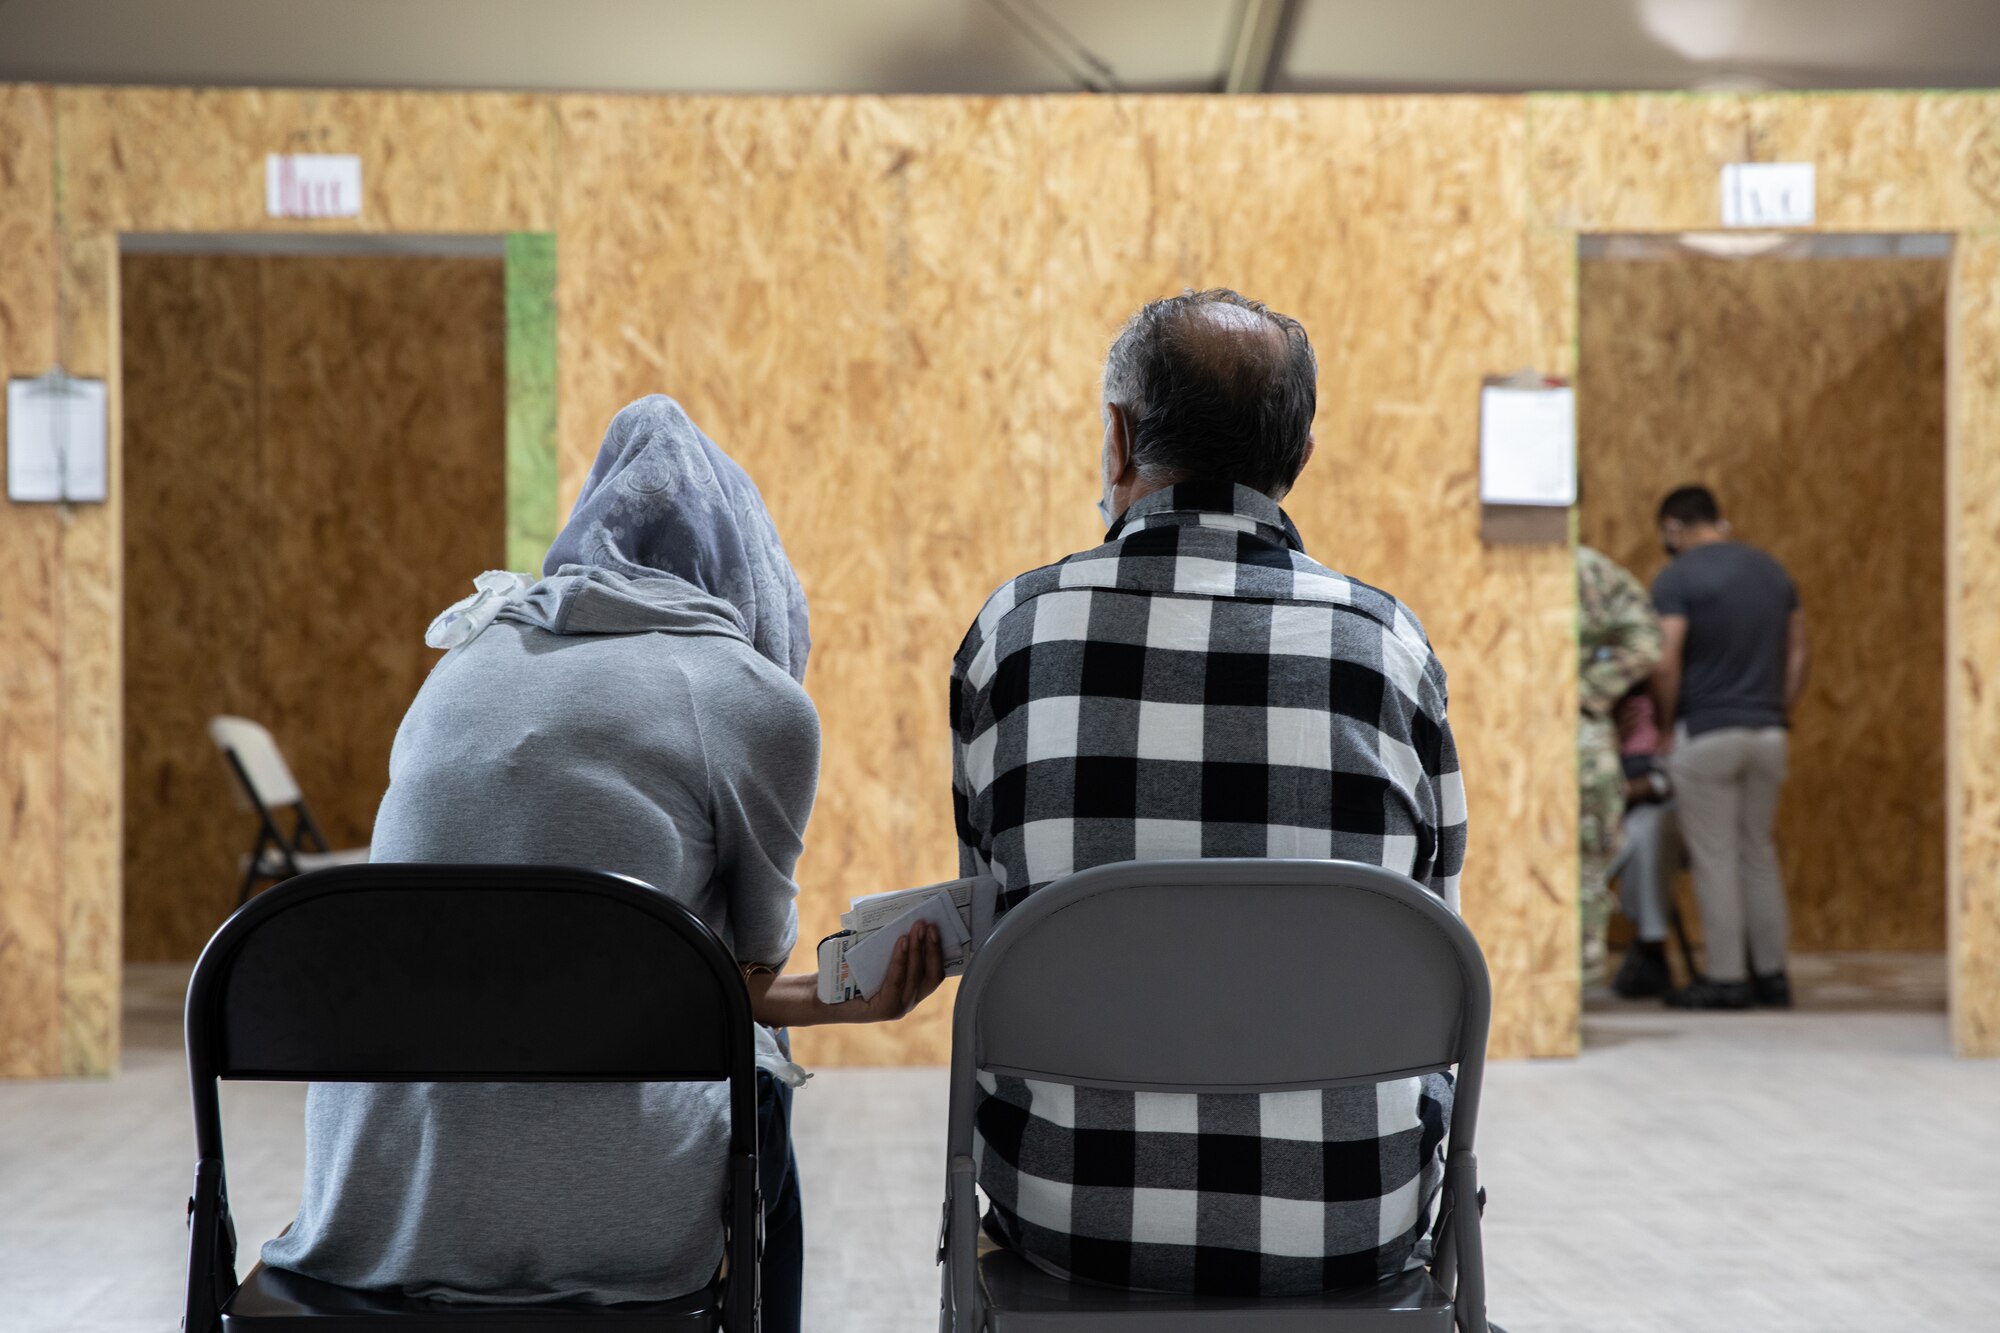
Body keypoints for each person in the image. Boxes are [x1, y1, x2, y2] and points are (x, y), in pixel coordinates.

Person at [261, 396, 947, 1330]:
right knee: (768, 1093)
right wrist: (851, 997)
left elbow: (559, 969)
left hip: (383, 1203)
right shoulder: (751, 696)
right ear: (751, 571)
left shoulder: (457, 664)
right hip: (623, 1227)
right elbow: (732, 990)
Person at [949, 289, 1467, 1297]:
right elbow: (1433, 932)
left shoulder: (1013, 634)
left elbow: (990, 907)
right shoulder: (1386, 649)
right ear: (1299, 457)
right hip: (1347, 1211)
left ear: (1118, 437)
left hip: (1072, 1206)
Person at [1651, 485, 1808, 1010]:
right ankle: (1773, 975)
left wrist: (1668, 726)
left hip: (1708, 734)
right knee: (1757, 852)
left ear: (1674, 527)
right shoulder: (1772, 571)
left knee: (1715, 856)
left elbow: (1667, 659)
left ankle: (1726, 978)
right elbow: (1798, 650)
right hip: (1769, 733)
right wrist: (1777, 708)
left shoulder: (1677, 578)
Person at [1576, 546, 1661, 986]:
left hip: (1557, 736)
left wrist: (1582, 693)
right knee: (1587, 861)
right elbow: (1646, 640)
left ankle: (1565, 992)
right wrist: (1588, 692)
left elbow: (1649, 642)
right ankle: (1572, 984)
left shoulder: (1586, 570)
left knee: (1587, 859)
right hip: (1579, 735)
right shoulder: (1594, 570)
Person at [1607, 683, 1681, 998]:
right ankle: (1651, 946)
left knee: (1645, 831)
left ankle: (1651, 944)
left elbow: (1673, 778)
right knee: (1631, 838)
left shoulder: (1670, 707)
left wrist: (1635, 790)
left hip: (1660, 810)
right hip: (1612, 813)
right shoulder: (1604, 711)